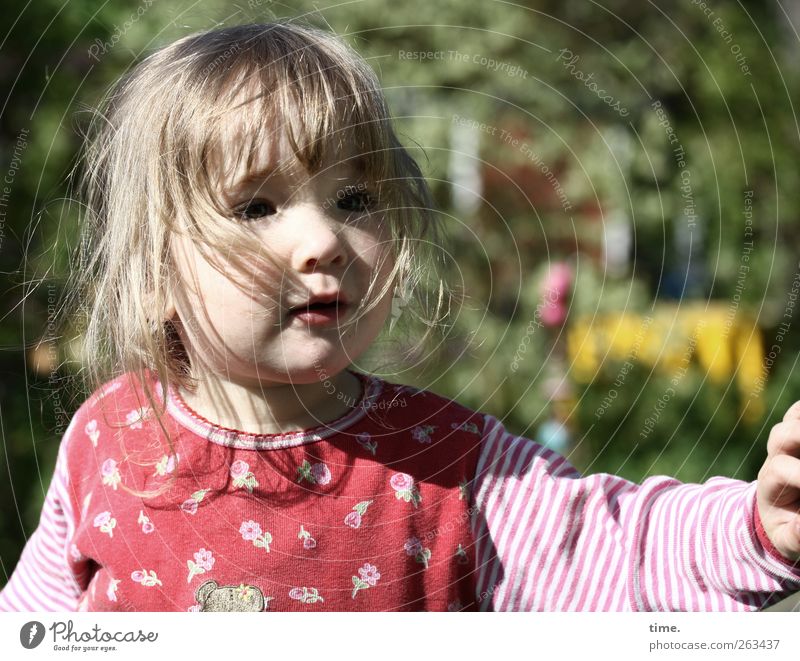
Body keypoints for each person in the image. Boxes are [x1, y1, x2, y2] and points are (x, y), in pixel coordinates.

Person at [1, 21, 799, 613]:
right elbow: (34, 622)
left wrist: (758, 526)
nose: (323, 240)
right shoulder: (109, 437)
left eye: (354, 199)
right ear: (153, 275)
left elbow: (618, 546)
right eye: (256, 205)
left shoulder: (450, 468)